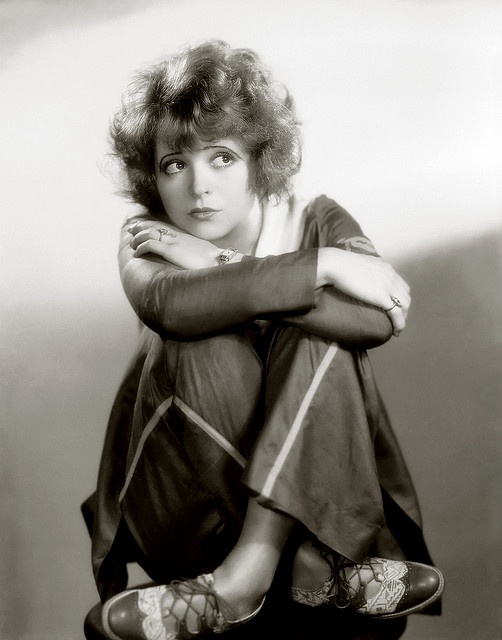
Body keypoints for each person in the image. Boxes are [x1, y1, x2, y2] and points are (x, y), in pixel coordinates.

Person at [87, 40, 444, 640]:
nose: (198, 186)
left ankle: (251, 572)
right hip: (184, 499)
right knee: (202, 333)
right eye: (175, 163)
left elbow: (377, 320)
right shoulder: (146, 234)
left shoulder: (317, 220)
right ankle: (302, 559)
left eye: (222, 158)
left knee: (320, 334)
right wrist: (318, 271)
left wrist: (219, 262)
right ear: (154, 175)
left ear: (260, 160)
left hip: (307, 489)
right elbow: (169, 305)